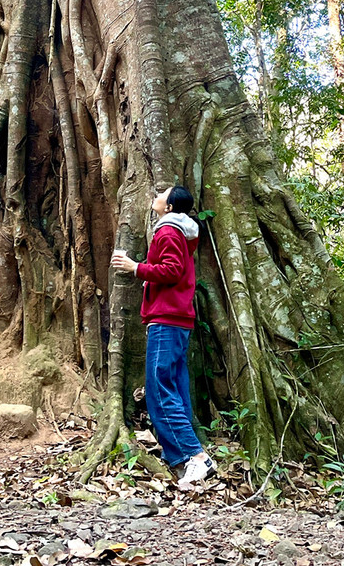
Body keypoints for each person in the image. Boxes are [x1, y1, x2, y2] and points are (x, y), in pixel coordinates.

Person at [111, 185, 216, 490]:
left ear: (169, 207)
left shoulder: (169, 232)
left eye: (162, 194)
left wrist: (135, 268)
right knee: (175, 390)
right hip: (175, 318)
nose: (155, 195)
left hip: (167, 319)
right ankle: (184, 460)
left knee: (160, 390)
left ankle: (196, 457)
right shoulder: (178, 232)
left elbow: (171, 270)